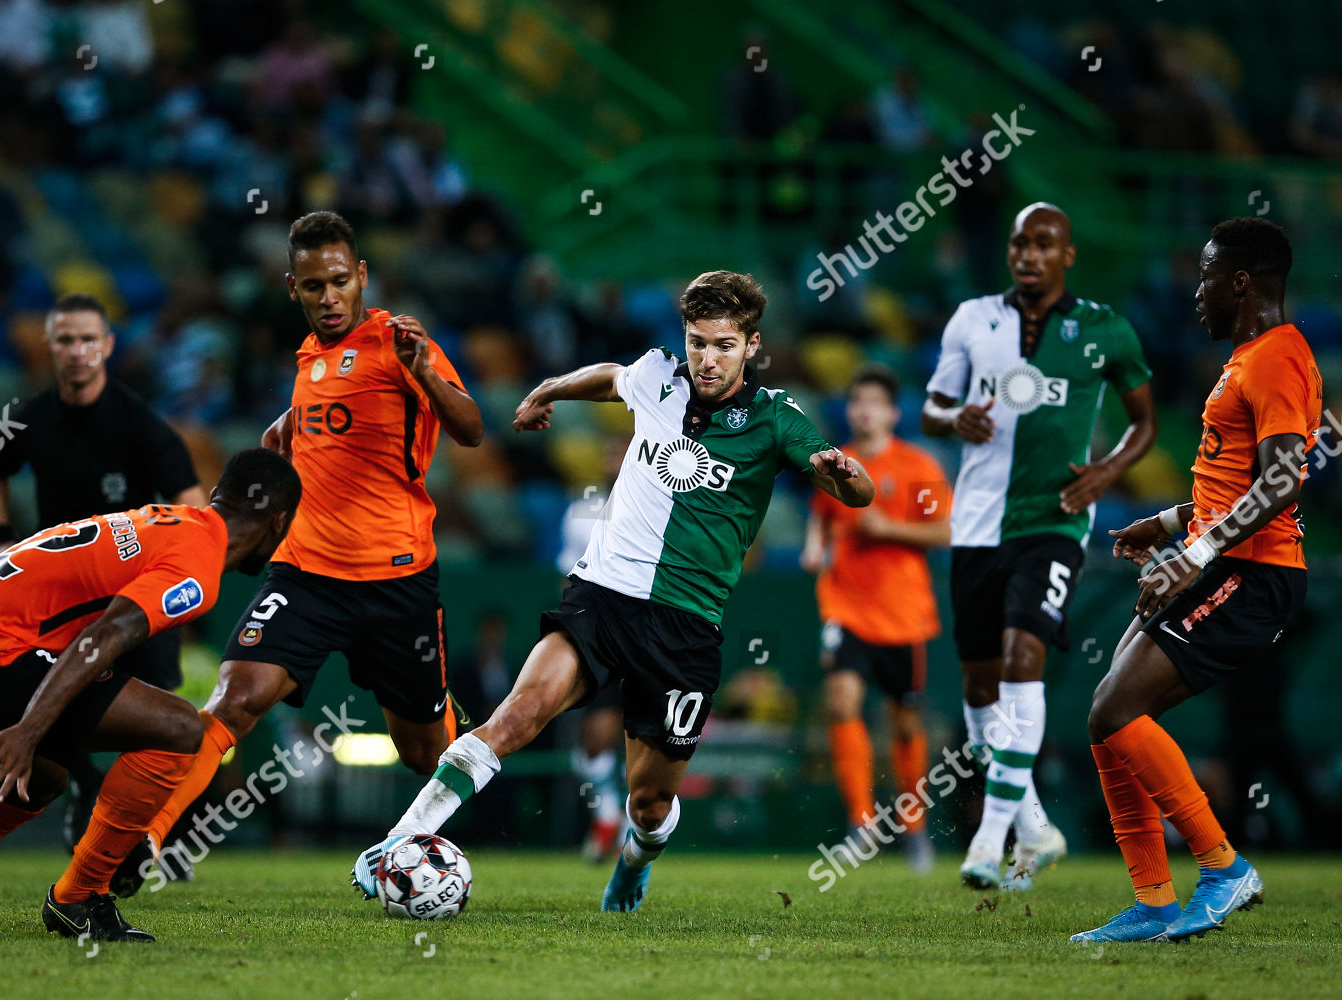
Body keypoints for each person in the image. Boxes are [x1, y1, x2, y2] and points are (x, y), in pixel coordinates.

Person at [351, 270, 875, 912]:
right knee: (513, 718)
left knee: (650, 802)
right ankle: (399, 842)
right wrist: (549, 389)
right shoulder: (659, 375)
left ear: (750, 346)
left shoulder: (775, 420)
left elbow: (855, 490)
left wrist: (844, 476)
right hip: (600, 596)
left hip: (685, 628)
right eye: (697, 342)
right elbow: (609, 376)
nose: (706, 359)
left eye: (722, 345)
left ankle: (635, 858)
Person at [111, 211, 483, 894]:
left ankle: (426, 823)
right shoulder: (308, 358)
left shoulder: (397, 341)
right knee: (236, 695)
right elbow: (323, 421)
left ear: (361, 276)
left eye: (340, 281)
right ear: (293, 288)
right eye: (313, 286)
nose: (329, 296)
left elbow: (471, 429)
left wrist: (424, 370)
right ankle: (149, 836)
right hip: (307, 572)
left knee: (424, 749)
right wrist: (285, 429)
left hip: (396, 581)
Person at [0, 449, 300, 941]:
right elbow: (102, 637)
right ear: (279, 524)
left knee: (37, 783)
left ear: (217, 496)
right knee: (179, 727)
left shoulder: (174, 522)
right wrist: (27, 729)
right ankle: (80, 897)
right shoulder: (197, 565)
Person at [1075, 218, 1319, 942]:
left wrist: (1199, 547)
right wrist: (1175, 519)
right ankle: (1153, 904)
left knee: (1116, 710)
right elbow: (1240, 478)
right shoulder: (1250, 357)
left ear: (1242, 282)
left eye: (1207, 277)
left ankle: (1223, 869)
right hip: (1222, 556)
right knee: (1104, 718)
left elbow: (1281, 481)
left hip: (1253, 572)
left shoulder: (1278, 357)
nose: (1196, 293)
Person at [922, 202, 1157, 891]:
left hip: (1052, 525)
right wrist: (951, 416)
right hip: (975, 527)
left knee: (1026, 657)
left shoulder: (1105, 329)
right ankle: (1034, 828)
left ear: (1068, 256)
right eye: (1019, 242)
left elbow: (1144, 420)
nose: (1028, 253)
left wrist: (1108, 471)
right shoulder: (971, 318)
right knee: (977, 687)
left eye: (1043, 243)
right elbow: (934, 405)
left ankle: (990, 840)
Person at [0, 292, 206, 850]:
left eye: (86, 340)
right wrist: (1, 537)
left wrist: (183, 568)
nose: (76, 351)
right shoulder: (30, 417)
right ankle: (86, 795)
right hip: (63, 601)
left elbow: (193, 502)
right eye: (64, 340)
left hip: (136, 596)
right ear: (48, 347)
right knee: (60, 704)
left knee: (161, 717)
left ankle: (149, 834)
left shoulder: (138, 422)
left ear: (106, 346)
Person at [800, 365, 951, 873]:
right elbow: (821, 519)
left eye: (874, 402)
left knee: (905, 723)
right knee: (842, 703)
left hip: (904, 615)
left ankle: (913, 826)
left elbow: (945, 531)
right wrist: (814, 546)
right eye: (857, 401)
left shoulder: (919, 466)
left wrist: (890, 528)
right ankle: (860, 823)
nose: (864, 410)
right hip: (845, 606)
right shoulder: (832, 464)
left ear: (893, 412)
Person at [558, 434, 630, 861]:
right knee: (593, 737)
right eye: (609, 451)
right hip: (599, 632)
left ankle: (637, 828)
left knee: (648, 735)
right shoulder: (582, 511)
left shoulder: (665, 504)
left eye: (621, 450)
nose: (613, 459)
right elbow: (567, 576)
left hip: (654, 632)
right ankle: (607, 815)